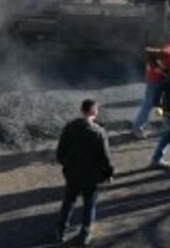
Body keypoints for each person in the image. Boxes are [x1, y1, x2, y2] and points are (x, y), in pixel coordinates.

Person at [56, 98, 115, 246]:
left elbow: (60, 151)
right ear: (95, 112)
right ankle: (85, 233)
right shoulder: (99, 133)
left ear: (81, 110)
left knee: (69, 201)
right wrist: (109, 174)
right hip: (92, 177)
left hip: (73, 174)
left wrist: (66, 165)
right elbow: (105, 157)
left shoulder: (70, 127)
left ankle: (61, 230)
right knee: (89, 205)